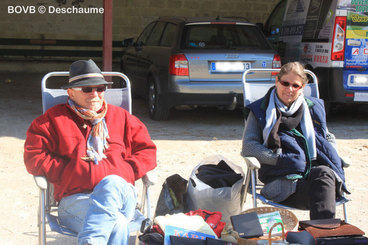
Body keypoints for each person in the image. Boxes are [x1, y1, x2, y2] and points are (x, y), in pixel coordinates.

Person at [24, 59, 157, 245]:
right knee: (117, 224)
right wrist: (68, 171)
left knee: (112, 182)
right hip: (76, 200)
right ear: (70, 92)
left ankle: (91, 241)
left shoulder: (123, 118)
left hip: (121, 197)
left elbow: (147, 151)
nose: (95, 94)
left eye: (100, 88)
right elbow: (34, 155)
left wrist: (127, 170)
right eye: (87, 89)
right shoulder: (52, 121)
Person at [241, 62, 348, 220]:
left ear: (302, 88)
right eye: (285, 83)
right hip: (283, 182)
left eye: (295, 85)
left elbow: (327, 136)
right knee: (323, 190)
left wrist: (332, 154)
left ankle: (321, 234)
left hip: (315, 176)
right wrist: (280, 160)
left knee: (324, 173)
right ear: (277, 81)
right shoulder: (260, 110)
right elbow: (249, 147)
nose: (289, 89)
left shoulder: (313, 108)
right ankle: (324, 234)